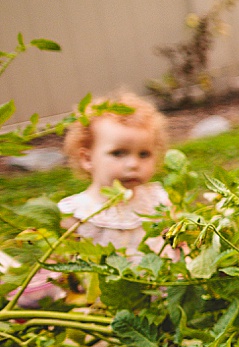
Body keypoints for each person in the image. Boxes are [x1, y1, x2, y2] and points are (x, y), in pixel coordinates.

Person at [58, 94, 171, 251]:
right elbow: (61, 260)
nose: (133, 164)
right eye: (118, 153)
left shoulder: (157, 201)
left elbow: (177, 242)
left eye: (144, 154)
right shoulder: (77, 214)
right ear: (87, 159)